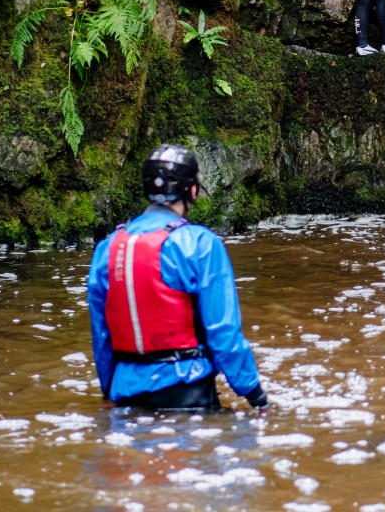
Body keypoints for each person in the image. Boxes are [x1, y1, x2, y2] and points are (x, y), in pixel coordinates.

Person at [86, 144, 268, 412]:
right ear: (192, 190)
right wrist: (256, 396)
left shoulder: (107, 248)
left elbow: (101, 336)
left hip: (125, 395)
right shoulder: (200, 244)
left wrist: (109, 391)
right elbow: (224, 333)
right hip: (188, 391)